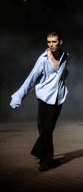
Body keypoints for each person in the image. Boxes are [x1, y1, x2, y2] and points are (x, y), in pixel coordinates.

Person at [10, 31, 69, 171]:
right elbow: (31, 79)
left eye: (54, 42)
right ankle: (45, 162)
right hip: (45, 98)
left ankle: (43, 156)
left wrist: (62, 81)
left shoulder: (65, 56)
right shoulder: (43, 59)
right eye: (49, 42)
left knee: (48, 130)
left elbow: (65, 72)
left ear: (60, 42)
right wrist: (18, 96)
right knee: (45, 130)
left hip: (59, 97)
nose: (51, 45)